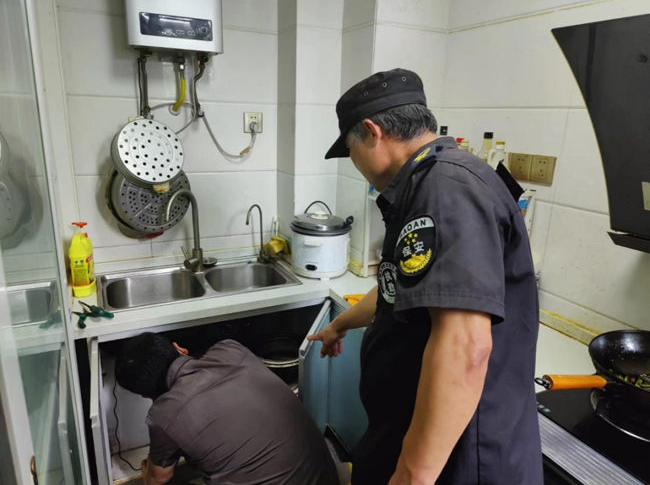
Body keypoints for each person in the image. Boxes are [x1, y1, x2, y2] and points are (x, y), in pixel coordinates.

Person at [308, 69, 543, 484]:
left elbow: (465, 346)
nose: (354, 162)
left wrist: (412, 475)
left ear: (372, 132)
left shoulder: (446, 188)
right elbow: (399, 287)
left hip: (458, 458)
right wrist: (340, 324)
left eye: (350, 148)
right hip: (410, 436)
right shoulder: (426, 182)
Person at [115, 333, 339, 485]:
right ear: (179, 349)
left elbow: (158, 479)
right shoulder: (231, 349)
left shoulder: (164, 415)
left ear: (145, 395)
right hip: (327, 478)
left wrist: (147, 468)